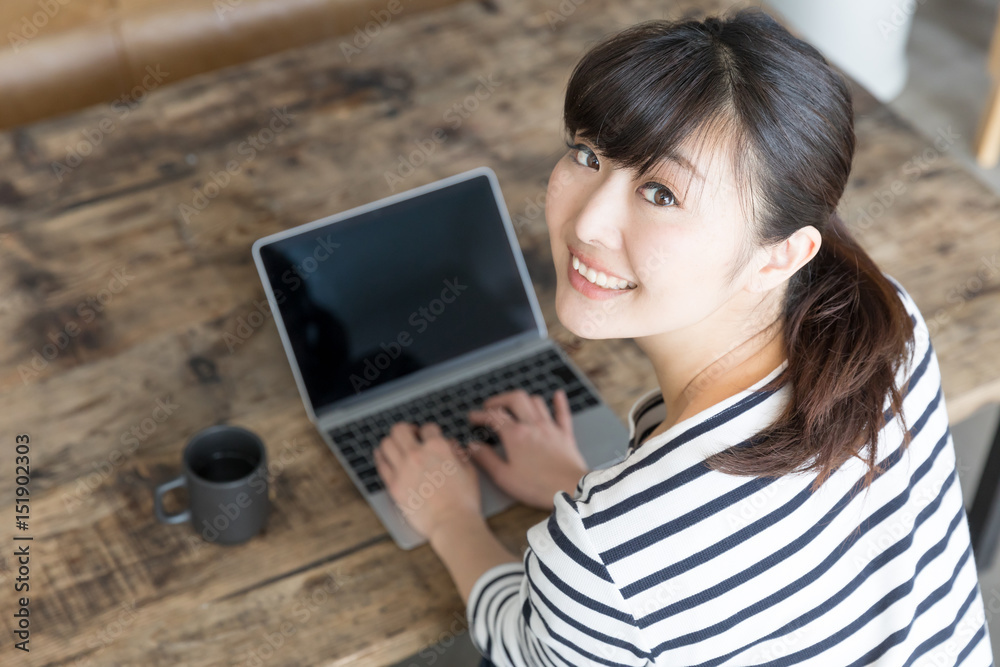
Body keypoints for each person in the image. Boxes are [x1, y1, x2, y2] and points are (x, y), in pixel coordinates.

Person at [372, 8, 995, 666]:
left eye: (662, 193)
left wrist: (450, 518)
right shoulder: (888, 323)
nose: (588, 223)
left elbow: (524, 644)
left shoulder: (606, 563)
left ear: (780, 255)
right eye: (588, 154)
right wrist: (584, 487)